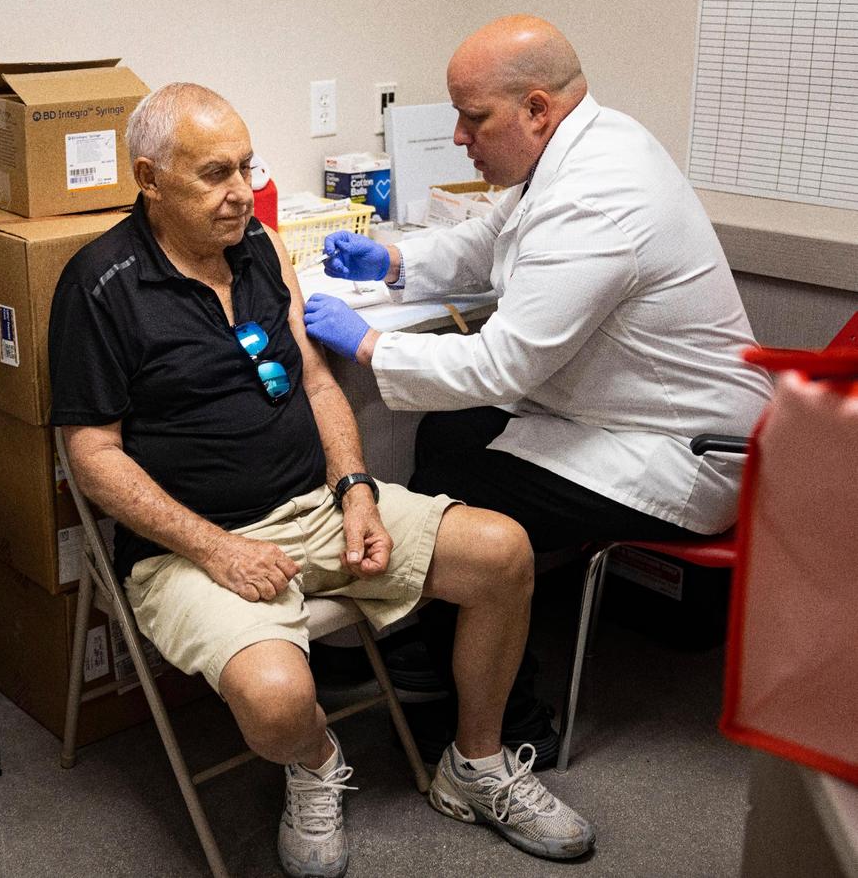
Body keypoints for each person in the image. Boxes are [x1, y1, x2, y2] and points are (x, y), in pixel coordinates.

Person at [48, 82, 596, 877]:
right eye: (213, 174)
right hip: (194, 547)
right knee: (276, 703)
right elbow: (91, 456)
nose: (240, 192)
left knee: (503, 552)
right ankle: (313, 760)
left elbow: (312, 381)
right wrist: (218, 549)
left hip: (314, 506)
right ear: (149, 177)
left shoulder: (261, 248)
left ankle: (474, 763)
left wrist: (358, 490)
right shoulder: (100, 285)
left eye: (246, 165)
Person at [305, 14, 774, 757]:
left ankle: (509, 724)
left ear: (535, 109)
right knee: (447, 435)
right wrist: (394, 264)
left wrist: (370, 342)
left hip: (689, 450)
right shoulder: (577, 145)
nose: (459, 135)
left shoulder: (600, 194)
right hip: (630, 414)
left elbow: (501, 365)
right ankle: (440, 650)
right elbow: (492, 237)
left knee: (464, 487)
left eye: (472, 117)